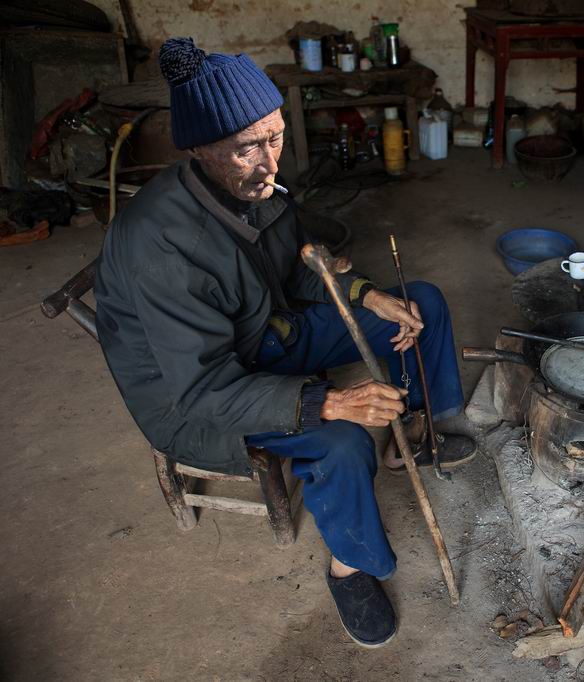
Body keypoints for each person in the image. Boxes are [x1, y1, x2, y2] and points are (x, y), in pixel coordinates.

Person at [94, 37, 474, 648]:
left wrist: (364, 294)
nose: (271, 163)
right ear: (197, 151)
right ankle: (350, 570)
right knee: (344, 442)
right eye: (249, 148)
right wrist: (328, 402)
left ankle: (416, 431)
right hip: (199, 400)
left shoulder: (254, 186)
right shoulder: (160, 248)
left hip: (266, 335)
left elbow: (298, 268)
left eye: (275, 138)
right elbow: (200, 389)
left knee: (419, 301)